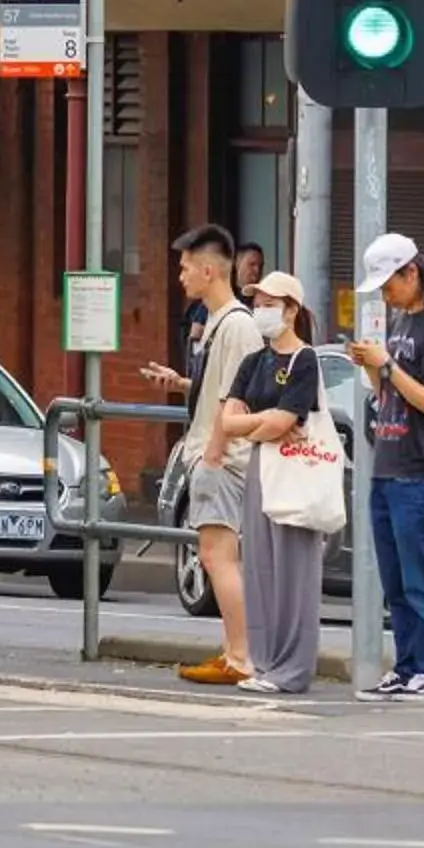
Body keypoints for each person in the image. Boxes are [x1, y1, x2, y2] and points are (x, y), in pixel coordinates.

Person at [139, 223, 260, 684]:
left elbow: (238, 393)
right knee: (215, 555)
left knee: (217, 556)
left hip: (221, 459)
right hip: (213, 454)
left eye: (187, 267)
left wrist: (212, 451)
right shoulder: (220, 323)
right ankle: (234, 652)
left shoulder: (236, 324)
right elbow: (220, 386)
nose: (181, 276)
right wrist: (183, 383)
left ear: (209, 270)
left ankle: (241, 657)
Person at [352, 230, 424, 697]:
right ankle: (408, 663)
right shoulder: (400, 322)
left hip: (418, 468)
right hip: (387, 460)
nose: (385, 293)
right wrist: (372, 368)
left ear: (412, 272)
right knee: (396, 580)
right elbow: (390, 396)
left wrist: (388, 366)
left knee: (423, 576)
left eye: (390, 283)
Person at [221, 269, 327, 695]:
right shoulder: (254, 361)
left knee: (295, 570)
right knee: (261, 565)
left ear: (292, 310)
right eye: (257, 303)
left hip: (295, 468)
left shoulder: (305, 360)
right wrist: (264, 422)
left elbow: (288, 419)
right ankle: (264, 664)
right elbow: (228, 420)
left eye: (270, 304)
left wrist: (262, 422)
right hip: (260, 466)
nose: (260, 311)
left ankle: (293, 669)